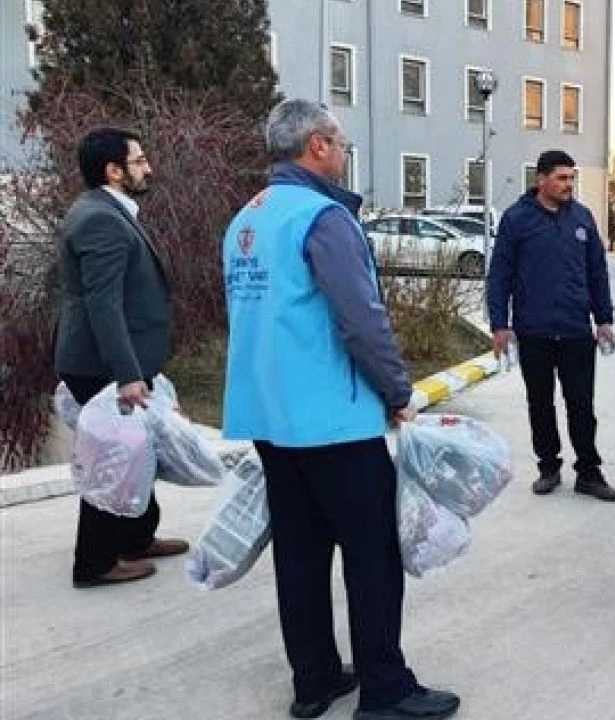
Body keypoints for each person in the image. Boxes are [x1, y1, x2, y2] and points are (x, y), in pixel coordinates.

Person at [222, 99, 460, 720]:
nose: (346, 152)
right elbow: (361, 319)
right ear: (318, 145)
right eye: (342, 142)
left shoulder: (249, 216)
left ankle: (315, 679)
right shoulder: (323, 217)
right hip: (332, 420)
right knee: (372, 554)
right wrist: (398, 392)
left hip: (270, 417)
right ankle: (385, 689)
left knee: (300, 553)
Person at [54, 126, 188, 589]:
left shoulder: (107, 211)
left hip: (112, 358)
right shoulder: (100, 219)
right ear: (114, 170)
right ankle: (94, 563)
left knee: (136, 448)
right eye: (139, 160)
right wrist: (127, 374)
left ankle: (135, 538)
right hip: (101, 363)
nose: (149, 168)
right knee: (112, 455)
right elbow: (103, 303)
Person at [487, 150, 615, 502]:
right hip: (534, 332)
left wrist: (603, 319)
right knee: (540, 404)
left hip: (576, 331)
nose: (568, 184)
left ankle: (588, 472)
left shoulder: (582, 218)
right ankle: (548, 468)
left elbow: (597, 272)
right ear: (541, 179)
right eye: (562, 178)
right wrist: (499, 324)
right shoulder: (517, 219)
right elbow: (499, 275)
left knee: (581, 405)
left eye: (571, 178)